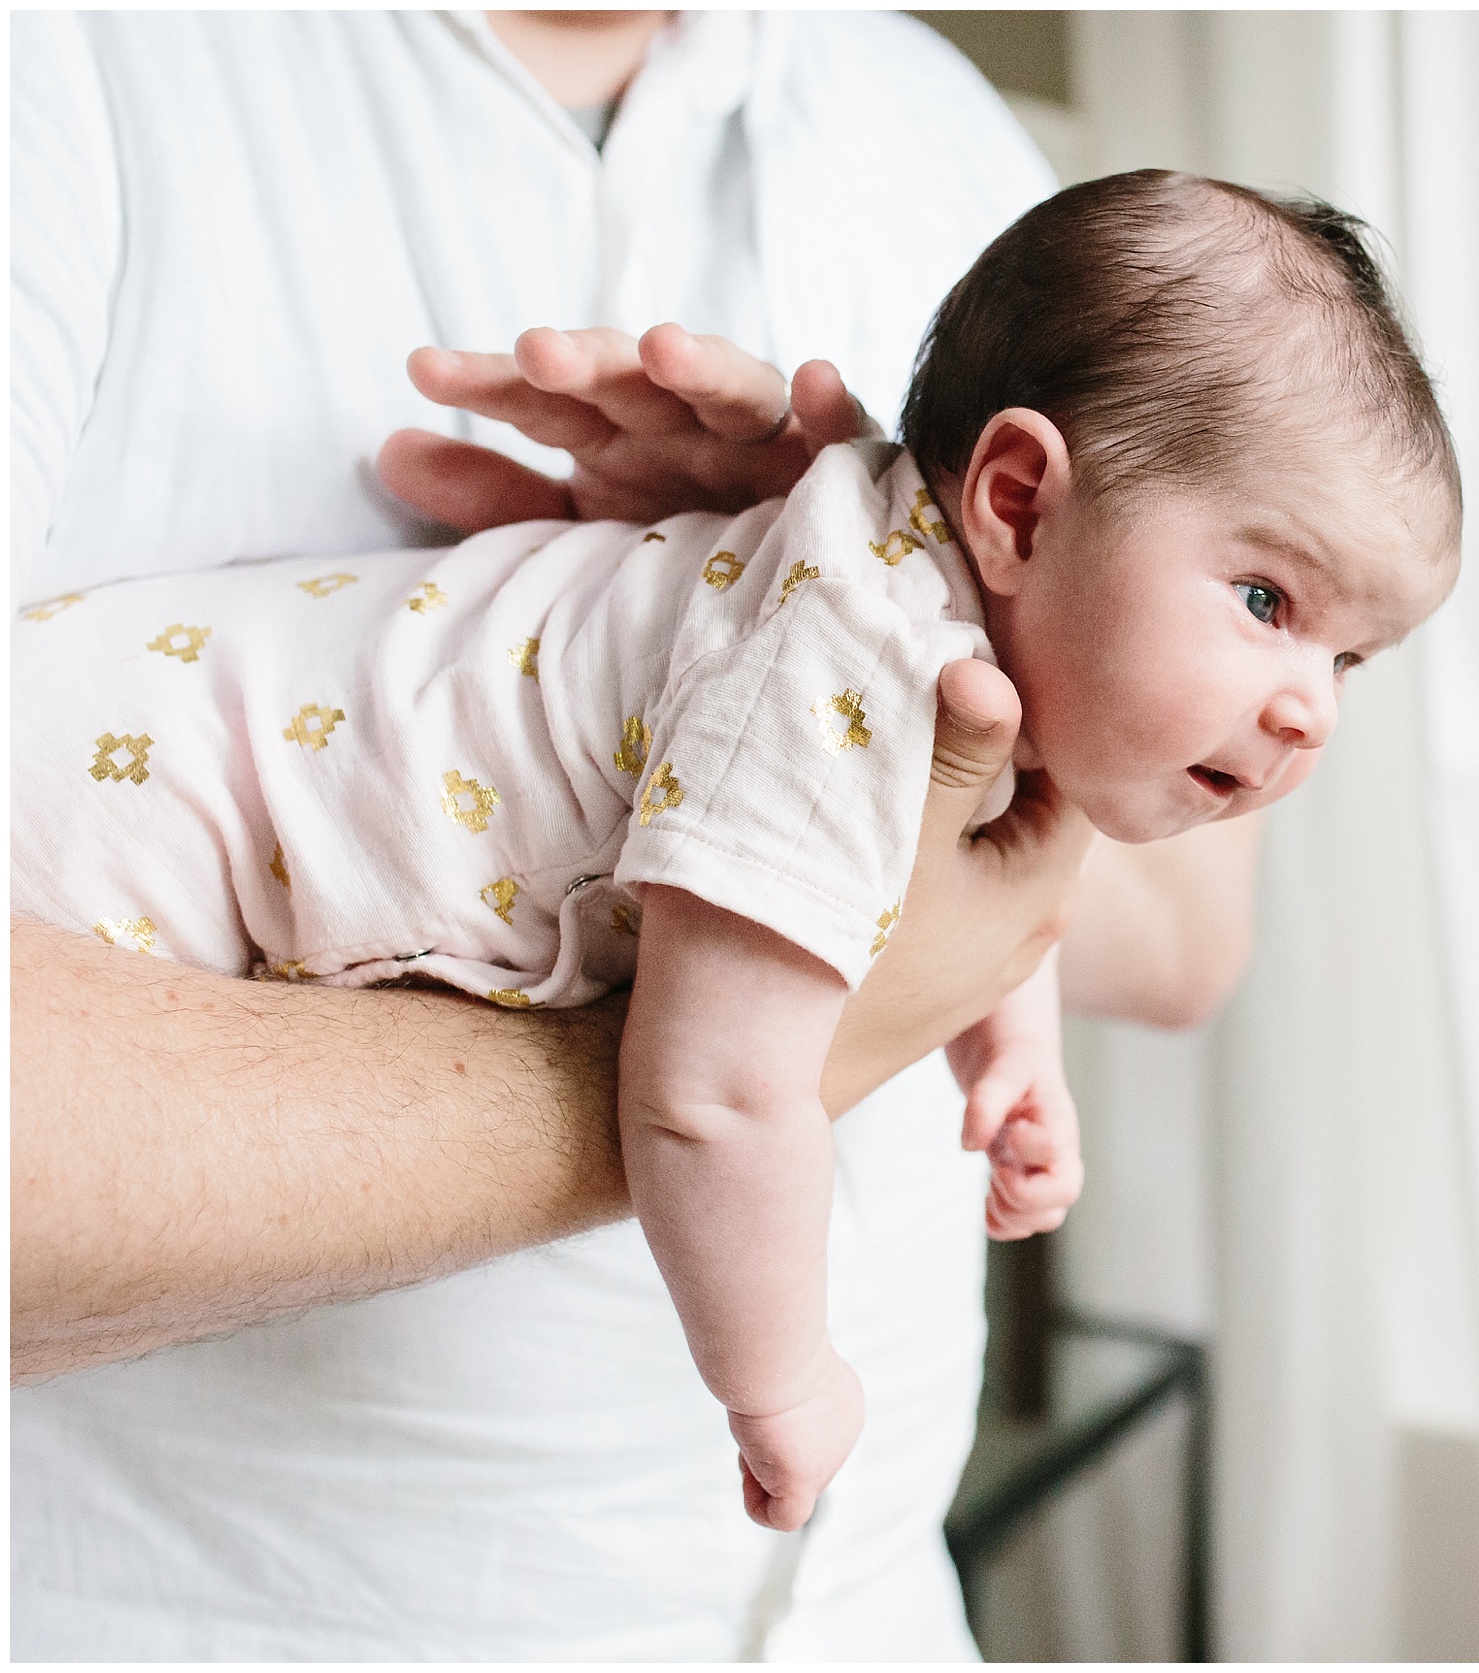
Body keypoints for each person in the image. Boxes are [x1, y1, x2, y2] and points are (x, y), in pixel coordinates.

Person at [9, 12, 1257, 1658]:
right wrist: (741, 1060)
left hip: (866, 1601)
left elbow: (1186, 930)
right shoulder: (73, 76)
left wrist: (876, 631)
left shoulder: (928, 122)